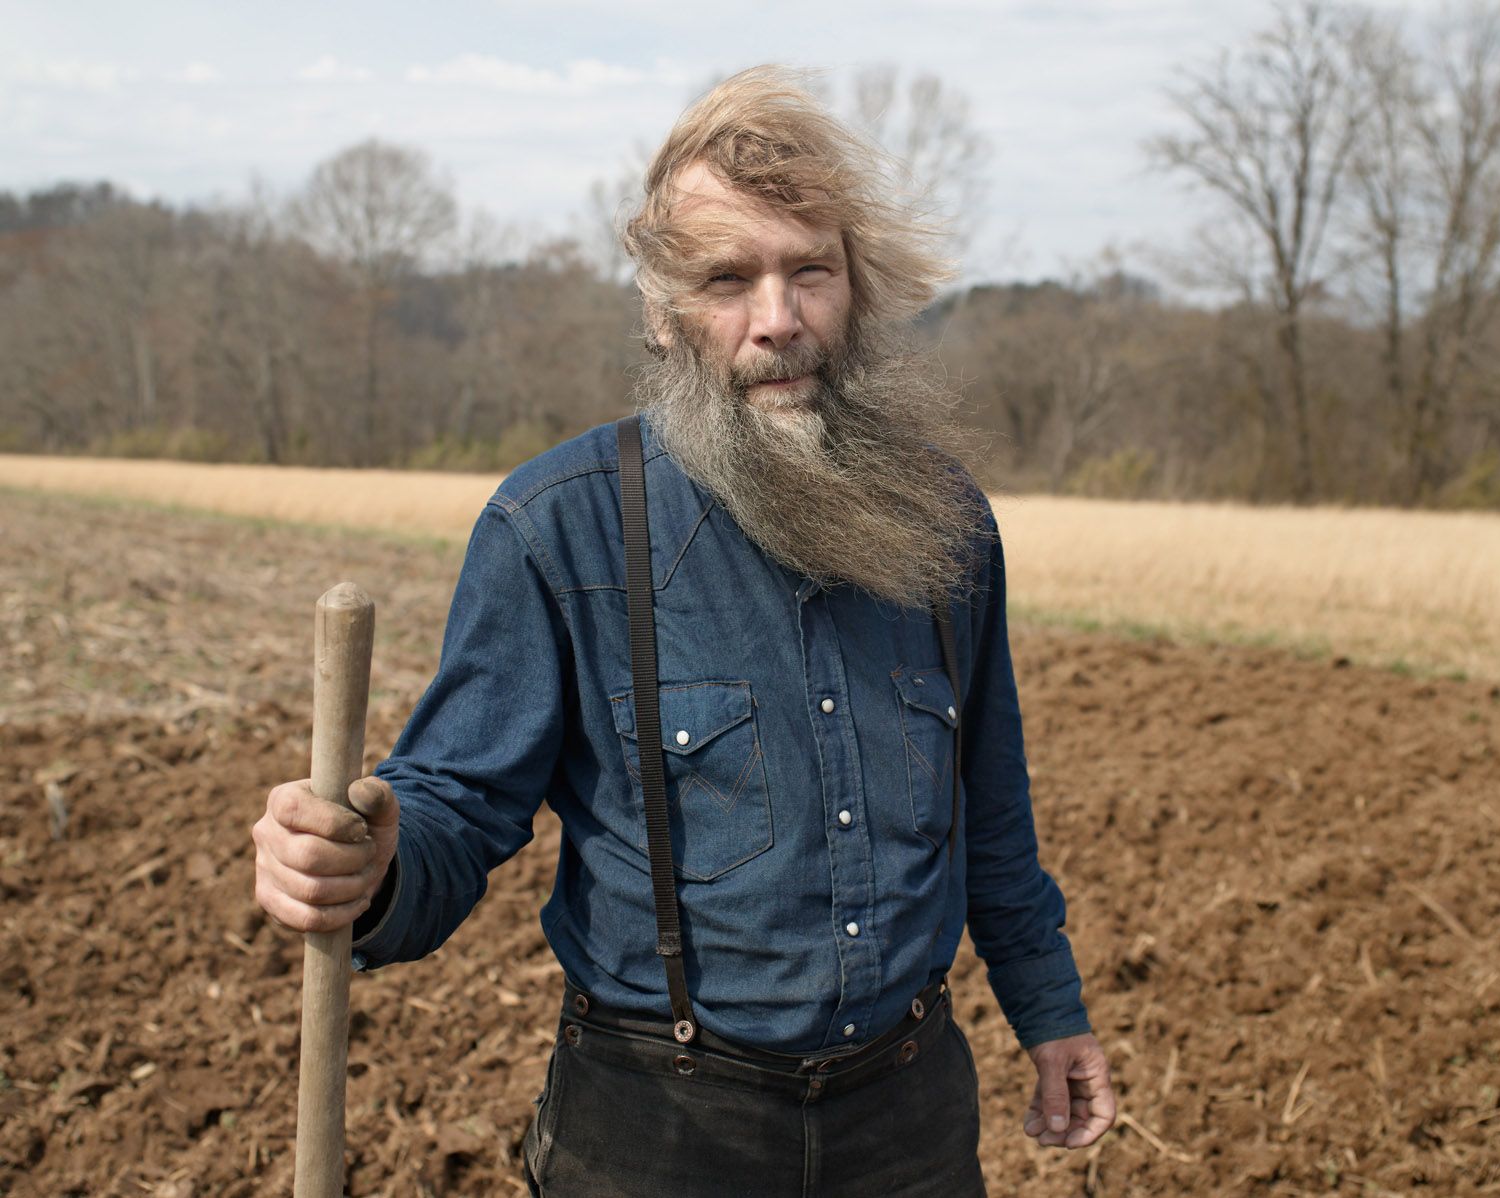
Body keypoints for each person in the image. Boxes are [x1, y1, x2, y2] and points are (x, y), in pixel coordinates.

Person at [253, 65, 1114, 1196]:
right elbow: (457, 806)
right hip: (657, 1130)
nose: (778, 319)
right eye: (728, 278)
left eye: (811, 270)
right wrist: (368, 858)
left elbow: (988, 803)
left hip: (908, 1122)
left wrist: (1050, 1011)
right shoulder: (554, 530)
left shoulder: (945, 523)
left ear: (856, 288)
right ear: (661, 311)